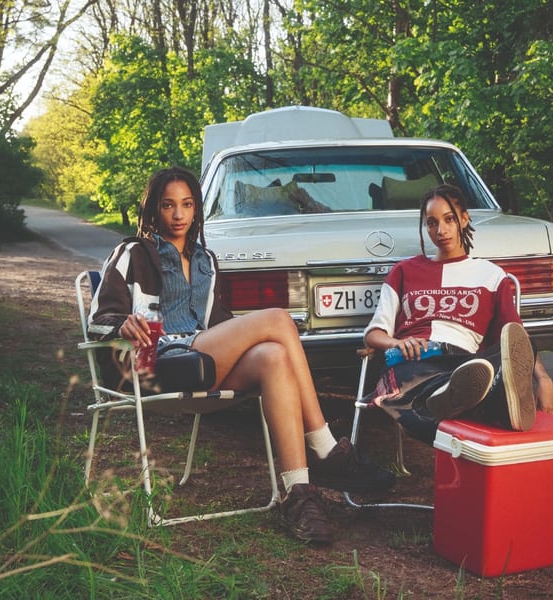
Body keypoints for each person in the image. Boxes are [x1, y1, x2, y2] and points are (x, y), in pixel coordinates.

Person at [86, 166, 395, 544]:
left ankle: (297, 494)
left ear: (197, 210)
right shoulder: (133, 252)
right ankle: (325, 445)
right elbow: (98, 318)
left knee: (273, 356)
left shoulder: (206, 262)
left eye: (186, 205)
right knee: (280, 319)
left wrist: (240, 338)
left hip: (202, 358)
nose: (179, 215)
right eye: (168, 206)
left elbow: (221, 326)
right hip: (157, 358)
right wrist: (122, 325)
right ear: (154, 210)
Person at [362, 184, 553, 443]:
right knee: (417, 382)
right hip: (416, 359)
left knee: (493, 364)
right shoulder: (404, 271)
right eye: (432, 223)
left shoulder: (491, 275)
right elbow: (373, 333)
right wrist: (398, 342)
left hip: (465, 363)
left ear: (464, 219)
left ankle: (456, 396)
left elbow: (516, 339)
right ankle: (480, 402)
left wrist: (543, 379)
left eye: (449, 219)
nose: (440, 231)